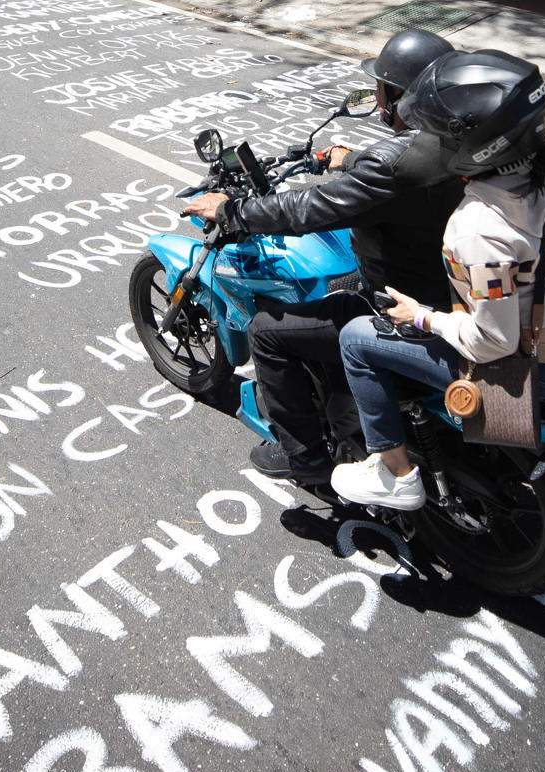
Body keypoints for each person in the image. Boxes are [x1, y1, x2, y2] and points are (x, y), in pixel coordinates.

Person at [181, 29, 461, 485]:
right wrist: (349, 161)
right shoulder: (454, 145)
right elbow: (394, 179)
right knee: (340, 289)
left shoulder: (389, 166)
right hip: (445, 289)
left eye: (382, 88)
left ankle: (305, 458)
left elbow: (306, 209)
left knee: (267, 331)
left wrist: (231, 209)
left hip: (405, 307)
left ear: (399, 97)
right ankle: (341, 408)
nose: (375, 95)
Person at [328, 50, 545, 512]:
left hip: (527, 364)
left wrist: (423, 318)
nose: (424, 144)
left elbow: (491, 341)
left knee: (355, 338)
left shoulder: (477, 228)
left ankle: (392, 472)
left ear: (475, 146)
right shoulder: (540, 179)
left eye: (434, 135)